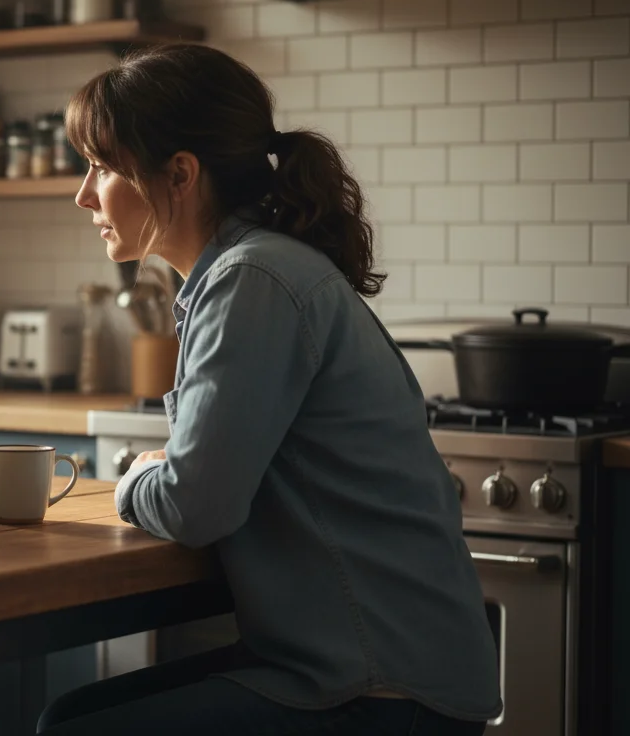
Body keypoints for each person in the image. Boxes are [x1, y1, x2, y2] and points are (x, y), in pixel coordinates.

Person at [39, 44, 501, 735]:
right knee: (72, 715)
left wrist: (134, 477)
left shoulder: (250, 280)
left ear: (180, 174)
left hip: (380, 688)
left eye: (102, 166)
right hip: (352, 666)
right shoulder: (245, 271)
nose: (83, 193)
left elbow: (197, 506)